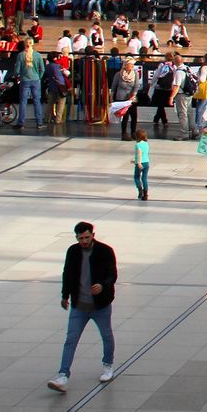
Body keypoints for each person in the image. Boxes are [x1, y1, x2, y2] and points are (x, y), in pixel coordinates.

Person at [48, 222, 117, 393]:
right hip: (79, 305)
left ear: (93, 235)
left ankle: (108, 365)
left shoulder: (105, 250)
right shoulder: (73, 251)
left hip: (100, 304)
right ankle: (63, 375)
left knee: (106, 335)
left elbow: (112, 274)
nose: (84, 241)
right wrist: (65, 295)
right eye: (81, 238)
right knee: (70, 339)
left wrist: (102, 285)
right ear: (76, 237)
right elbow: (67, 273)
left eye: (87, 237)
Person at [12, 37, 46, 128]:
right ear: (33, 44)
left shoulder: (21, 55)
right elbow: (42, 69)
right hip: (35, 80)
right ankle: (39, 122)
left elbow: (17, 70)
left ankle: (21, 123)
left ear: (24, 44)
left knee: (23, 102)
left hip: (24, 80)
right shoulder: (38, 55)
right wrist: (39, 77)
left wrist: (16, 76)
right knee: (37, 101)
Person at [111, 57, 142, 141]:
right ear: (125, 65)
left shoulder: (135, 74)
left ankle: (133, 133)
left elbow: (136, 85)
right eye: (130, 64)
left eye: (132, 65)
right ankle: (124, 133)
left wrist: (133, 95)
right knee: (125, 116)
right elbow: (113, 87)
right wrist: (111, 97)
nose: (132, 66)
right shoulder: (119, 74)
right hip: (121, 97)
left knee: (134, 116)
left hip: (131, 97)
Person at [133, 131, 150, 201]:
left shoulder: (138, 145)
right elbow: (145, 153)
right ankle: (145, 193)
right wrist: (135, 160)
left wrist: (138, 162)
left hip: (140, 163)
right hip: (146, 162)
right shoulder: (146, 144)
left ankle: (140, 189)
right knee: (144, 178)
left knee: (136, 177)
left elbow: (139, 153)